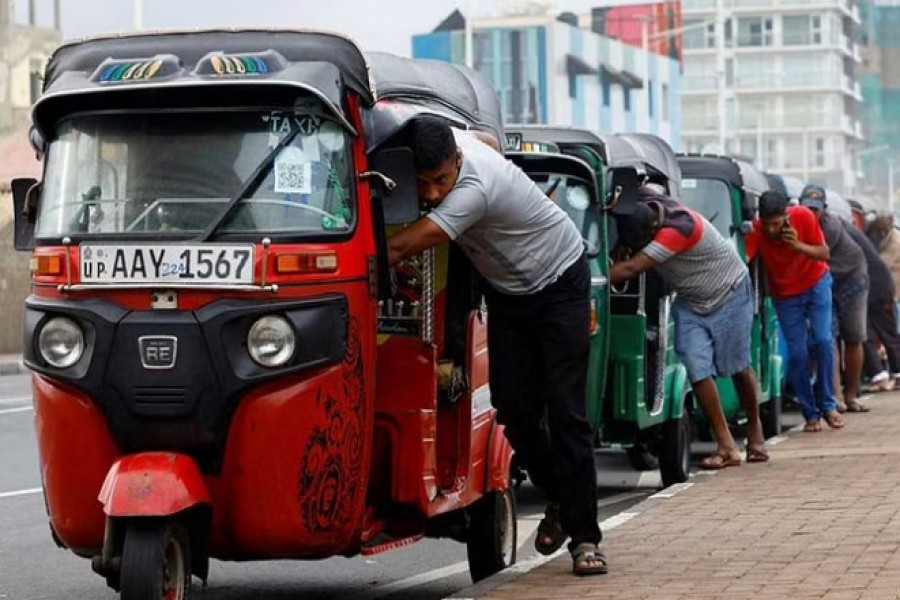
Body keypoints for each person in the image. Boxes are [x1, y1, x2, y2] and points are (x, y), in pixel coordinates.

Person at [387, 115, 606, 576]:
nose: (430, 194)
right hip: (509, 292)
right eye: (421, 183)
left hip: (560, 281)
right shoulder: (460, 142)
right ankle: (564, 501)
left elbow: (408, 244)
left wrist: (348, 251)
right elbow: (487, 137)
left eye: (440, 181)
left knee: (566, 411)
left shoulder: (474, 188)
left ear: (458, 162)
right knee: (514, 409)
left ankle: (586, 538)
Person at [609, 185, 768, 469]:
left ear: (653, 231)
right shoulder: (648, 203)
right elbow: (630, 191)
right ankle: (726, 445)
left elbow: (631, 269)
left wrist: (588, 279)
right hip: (692, 301)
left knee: (737, 366)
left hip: (729, 292)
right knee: (697, 368)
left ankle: (755, 430)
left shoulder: (679, 230)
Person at [745, 191, 845, 432]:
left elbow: (824, 254)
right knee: (798, 353)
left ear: (786, 216)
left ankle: (828, 405)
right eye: (767, 224)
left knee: (822, 341)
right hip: (786, 295)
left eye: (776, 224)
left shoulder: (803, 216)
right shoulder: (758, 230)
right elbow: (745, 258)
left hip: (816, 283)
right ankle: (810, 413)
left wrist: (797, 245)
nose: (770, 230)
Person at [798, 186, 869, 412]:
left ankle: (850, 395)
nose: (811, 214)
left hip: (851, 278)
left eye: (815, 210)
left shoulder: (830, 227)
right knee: (828, 336)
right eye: (806, 208)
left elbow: (811, 256)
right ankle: (835, 396)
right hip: (824, 280)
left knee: (853, 336)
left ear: (824, 210)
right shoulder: (795, 223)